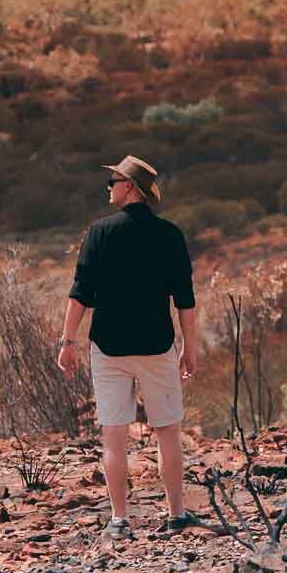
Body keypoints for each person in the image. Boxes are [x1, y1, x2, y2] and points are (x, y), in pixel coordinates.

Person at [56, 154, 201, 537]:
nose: (109, 187)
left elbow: (80, 293)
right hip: (157, 346)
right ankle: (176, 515)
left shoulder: (99, 233)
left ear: (131, 188)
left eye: (114, 181)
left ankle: (120, 519)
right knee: (167, 430)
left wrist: (68, 341)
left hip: (108, 348)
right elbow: (184, 299)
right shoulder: (170, 235)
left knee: (114, 433)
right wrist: (191, 347)